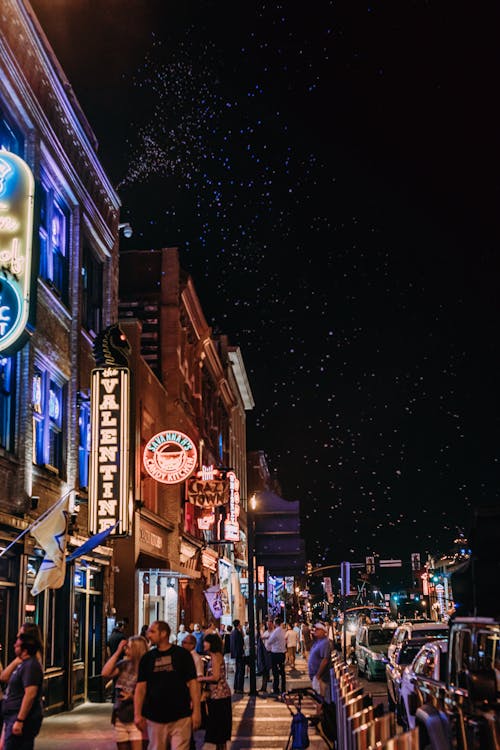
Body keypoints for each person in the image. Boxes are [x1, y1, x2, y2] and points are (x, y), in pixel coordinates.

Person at [134, 620, 201, 750]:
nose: (149, 635)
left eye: (153, 631)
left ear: (163, 633)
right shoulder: (147, 658)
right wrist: (137, 714)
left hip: (180, 715)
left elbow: (193, 683)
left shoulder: (182, 655)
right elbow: (141, 687)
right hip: (155, 716)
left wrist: (197, 711)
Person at [102, 635, 149, 750]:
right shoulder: (123, 664)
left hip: (137, 718)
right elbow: (105, 673)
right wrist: (117, 652)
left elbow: (150, 694)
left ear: (136, 649)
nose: (125, 650)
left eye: (128, 647)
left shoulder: (146, 669)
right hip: (120, 715)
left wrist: (132, 697)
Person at [0, 633, 44, 750]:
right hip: (11, 717)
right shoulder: (22, 664)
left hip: (19, 719)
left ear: (24, 649)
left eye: (17, 644)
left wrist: (20, 720)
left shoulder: (31, 666)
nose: (14, 645)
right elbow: (3, 676)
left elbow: (30, 694)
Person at [198, 634, 232, 750]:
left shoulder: (216, 656)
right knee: (218, 726)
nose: (204, 644)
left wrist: (201, 679)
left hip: (219, 695)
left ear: (211, 644)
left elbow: (216, 676)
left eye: (206, 642)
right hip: (217, 694)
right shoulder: (213, 656)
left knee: (218, 725)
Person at [308, 623, 332, 702]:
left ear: (323, 631)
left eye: (318, 630)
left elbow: (325, 660)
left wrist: (318, 675)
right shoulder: (318, 641)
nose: (316, 631)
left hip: (321, 677)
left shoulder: (325, 643)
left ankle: (321, 713)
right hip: (316, 676)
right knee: (317, 697)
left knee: (320, 698)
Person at [266, 617, 287, 696]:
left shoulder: (276, 631)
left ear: (275, 623)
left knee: (275, 672)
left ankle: (276, 688)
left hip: (275, 653)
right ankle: (283, 688)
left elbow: (270, 641)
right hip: (282, 653)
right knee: (282, 671)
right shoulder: (283, 631)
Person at [229, 620, 245, 693]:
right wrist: (241, 653)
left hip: (235, 654)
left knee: (237, 671)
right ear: (238, 625)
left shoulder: (232, 633)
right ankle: (239, 688)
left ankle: (236, 687)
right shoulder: (238, 633)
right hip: (239, 654)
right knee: (240, 671)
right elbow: (240, 644)